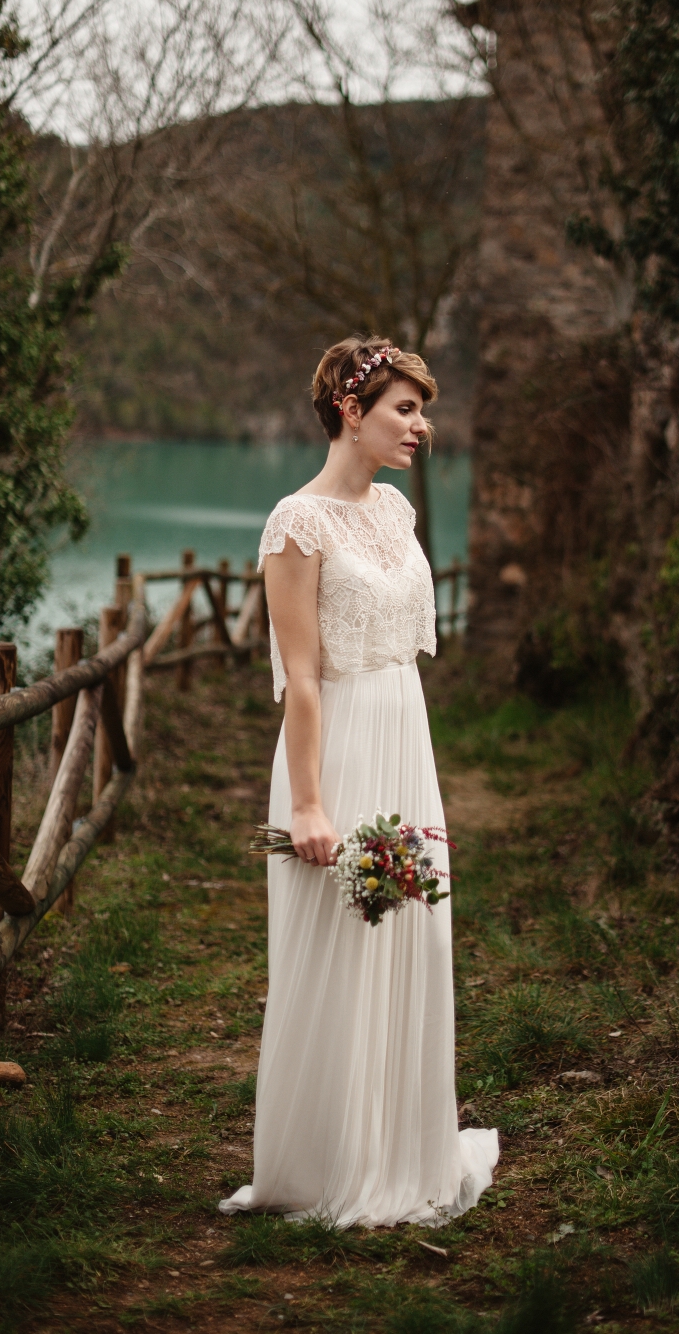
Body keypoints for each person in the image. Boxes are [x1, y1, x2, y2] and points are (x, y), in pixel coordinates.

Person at [218, 337, 498, 1227]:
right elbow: (300, 676)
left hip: (404, 744)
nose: (422, 425)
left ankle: (402, 1149)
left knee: (411, 937)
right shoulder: (295, 525)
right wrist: (307, 803)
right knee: (338, 948)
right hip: (335, 751)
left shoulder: (398, 512)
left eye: (423, 409)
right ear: (350, 408)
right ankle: (321, 1163)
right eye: (404, 409)